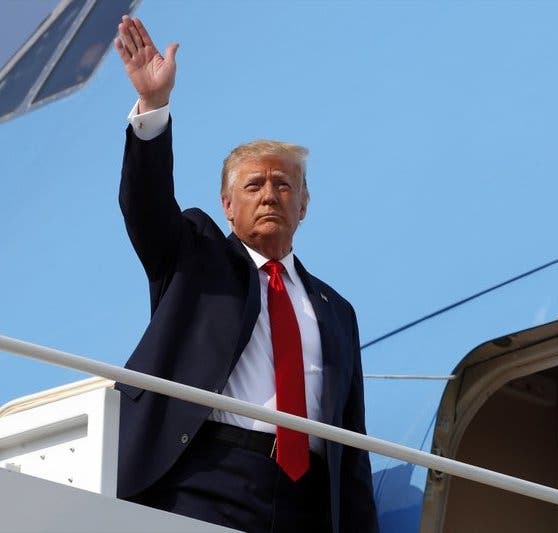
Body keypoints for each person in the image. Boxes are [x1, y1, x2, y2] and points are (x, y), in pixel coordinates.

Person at [112, 16, 379, 533]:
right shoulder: (196, 258)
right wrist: (153, 108)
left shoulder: (335, 311)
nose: (270, 194)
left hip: (309, 499)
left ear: (304, 205)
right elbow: (144, 206)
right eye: (254, 185)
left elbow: (353, 436)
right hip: (209, 477)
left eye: (284, 185)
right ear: (227, 205)